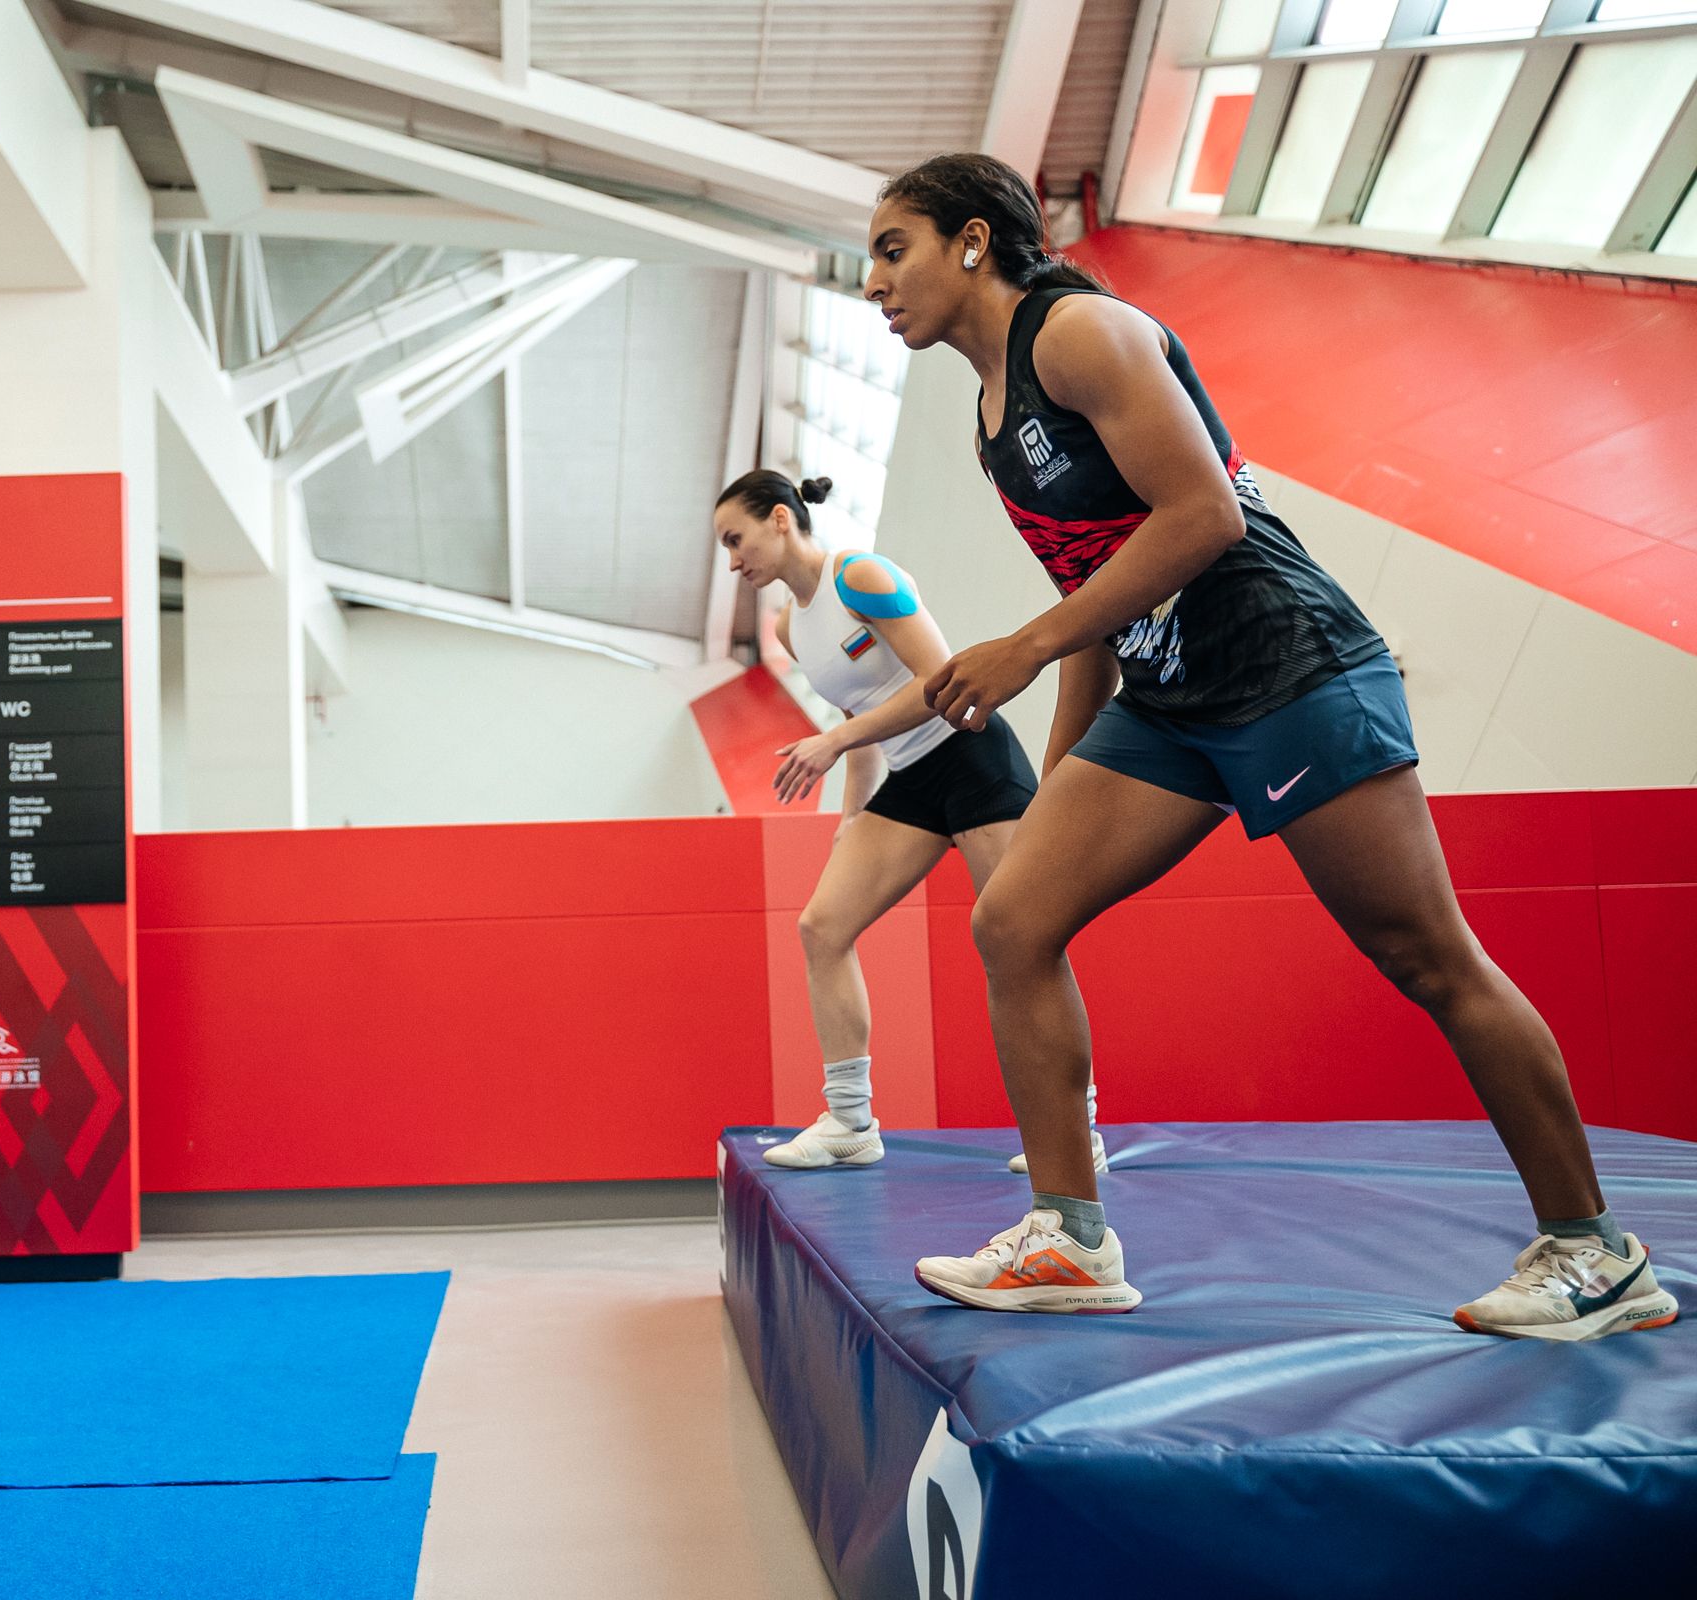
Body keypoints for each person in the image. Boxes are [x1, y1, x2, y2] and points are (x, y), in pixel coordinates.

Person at [867, 152, 1674, 1341]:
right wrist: (1063, 769)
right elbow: (1094, 594)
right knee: (1014, 917)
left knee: (1427, 957)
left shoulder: (1078, 333)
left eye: (894, 249)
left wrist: (1022, 646)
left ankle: (1594, 1251)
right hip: (1168, 698)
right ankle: (1069, 1238)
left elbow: (1204, 515)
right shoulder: (993, 423)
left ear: (974, 241)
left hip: (1289, 667)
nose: (873, 282)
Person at [714, 469, 1103, 1174]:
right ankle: (850, 1122)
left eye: (736, 539)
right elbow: (857, 716)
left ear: (780, 518)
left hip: (974, 757)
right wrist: (852, 814)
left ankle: (1076, 1131)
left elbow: (941, 679)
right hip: (911, 779)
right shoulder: (790, 627)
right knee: (822, 928)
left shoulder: (861, 577)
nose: (733, 560)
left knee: (1021, 942)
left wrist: (836, 742)